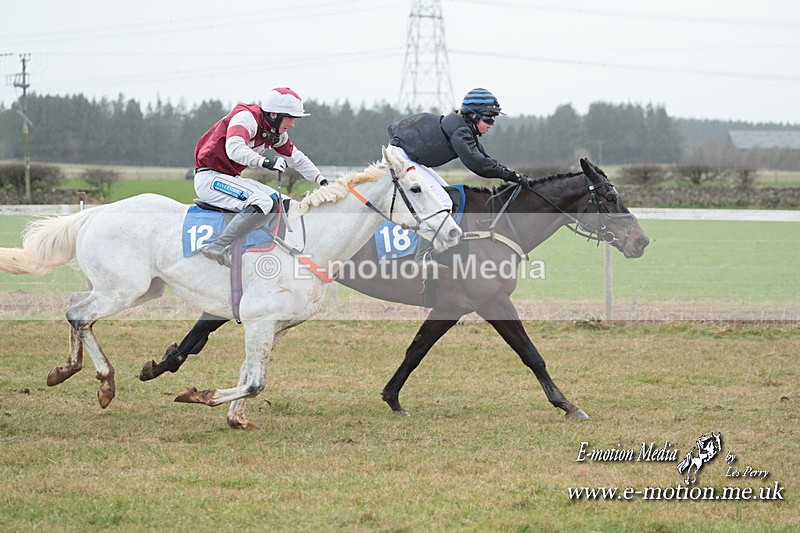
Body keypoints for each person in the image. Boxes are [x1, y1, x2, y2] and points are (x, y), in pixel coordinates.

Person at [194, 87, 328, 267]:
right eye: (290, 118)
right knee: (263, 202)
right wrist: (265, 162)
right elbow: (233, 148)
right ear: (274, 115)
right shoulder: (246, 118)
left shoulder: (275, 133)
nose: (292, 124)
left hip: (230, 178)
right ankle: (217, 246)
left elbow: (297, 159)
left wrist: (321, 180)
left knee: (284, 202)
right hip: (209, 178)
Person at [388, 87, 528, 214]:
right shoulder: (459, 132)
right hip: (401, 158)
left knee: (448, 195)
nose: (493, 123)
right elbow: (479, 165)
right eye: (489, 118)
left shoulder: (463, 129)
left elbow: (485, 159)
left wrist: (513, 175)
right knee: (444, 203)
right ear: (473, 116)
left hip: (408, 157)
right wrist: (510, 176)